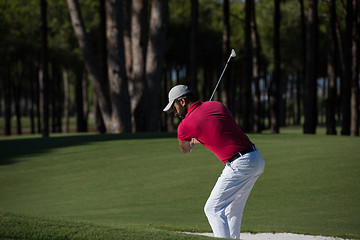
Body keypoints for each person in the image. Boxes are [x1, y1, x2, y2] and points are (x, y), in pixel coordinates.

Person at [163, 85, 265, 239]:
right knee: (232, 210)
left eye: (174, 108)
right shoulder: (216, 105)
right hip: (256, 158)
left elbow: (185, 149)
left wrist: (195, 139)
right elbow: (222, 126)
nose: (174, 113)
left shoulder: (184, 126)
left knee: (213, 209)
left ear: (182, 101)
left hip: (239, 164)